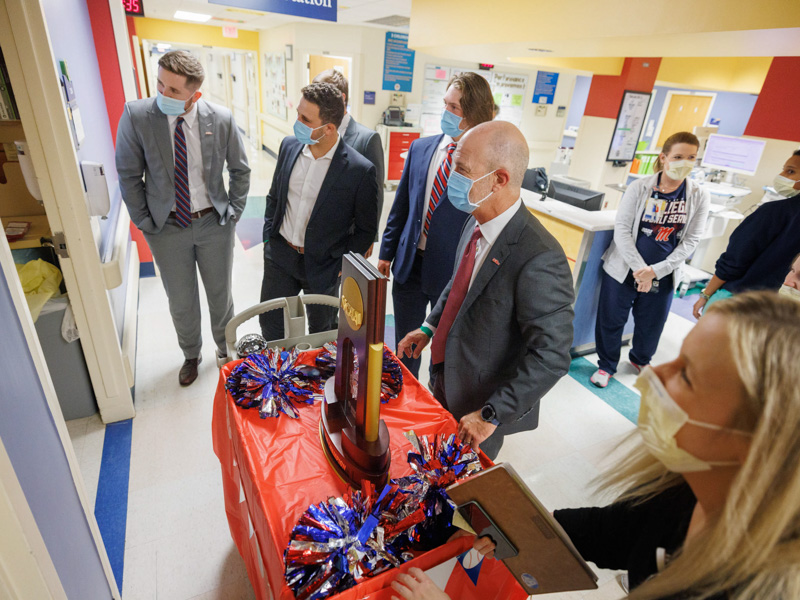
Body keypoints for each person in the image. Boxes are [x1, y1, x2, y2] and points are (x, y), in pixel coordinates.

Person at [463, 292, 800, 600]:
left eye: (686, 375)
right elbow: (616, 531)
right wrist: (527, 526)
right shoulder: (682, 490)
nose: (653, 376)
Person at [396, 121, 574, 460]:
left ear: (499, 179)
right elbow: (460, 284)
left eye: (461, 169)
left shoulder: (539, 257)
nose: (450, 177)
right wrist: (427, 328)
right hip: (445, 377)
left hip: (479, 409)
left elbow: (551, 356)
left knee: (456, 487)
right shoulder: (474, 220)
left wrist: (491, 414)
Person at [116, 50, 250, 386]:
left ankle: (225, 350)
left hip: (213, 222)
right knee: (180, 298)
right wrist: (146, 222)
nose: (163, 94)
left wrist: (232, 212)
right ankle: (191, 354)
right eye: (160, 84)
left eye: (174, 91)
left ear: (195, 94)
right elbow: (128, 175)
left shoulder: (220, 118)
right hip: (167, 226)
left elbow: (240, 169)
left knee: (221, 294)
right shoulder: (137, 116)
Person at [378, 72, 495, 378]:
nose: (447, 112)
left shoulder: (485, 164)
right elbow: (401, 206)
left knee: (443, 352)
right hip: (408, 266)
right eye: (445, 104)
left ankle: (435, 404)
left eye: (454, 108)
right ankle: (405, 392)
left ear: (474, 113)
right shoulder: (421, 148)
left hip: (451, 272)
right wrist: (385, 254)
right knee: (405, 346)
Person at [590, 132, 710, 389]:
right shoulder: (639, 187)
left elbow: (691, 240)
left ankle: (640, 360)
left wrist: (656, 271)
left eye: (691, 158)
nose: (684, 163)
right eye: (678, 157)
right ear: (664, 158)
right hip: (624, 268)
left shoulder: (699, 195)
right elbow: (622, 230)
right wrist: (639, 269)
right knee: (611, 319)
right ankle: (606, 366)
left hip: (664, 273)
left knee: (652, 324)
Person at [259, 82, 378, 340]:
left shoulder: (359, 170)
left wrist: (339, 263)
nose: (297, 122)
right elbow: (273, 197)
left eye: (305, 118)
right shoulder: (289, 147)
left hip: (324, 265)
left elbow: (367, 229)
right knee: (271, 326)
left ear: (329, 128)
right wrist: (269, 239)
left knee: (322, 333)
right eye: (298, 114)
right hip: (280, 256)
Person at [693, 150, 800, 318]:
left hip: (737, 301)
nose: (782, 175)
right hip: (772, 310)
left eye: (790, 171)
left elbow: (733, 262)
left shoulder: (773, 212)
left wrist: (706, 294)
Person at [312, 69, 385, 254]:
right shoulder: (315, 131)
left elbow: (374, 196)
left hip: (346, 239)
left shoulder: (367, 139)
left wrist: (368, 239)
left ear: (341, 98)